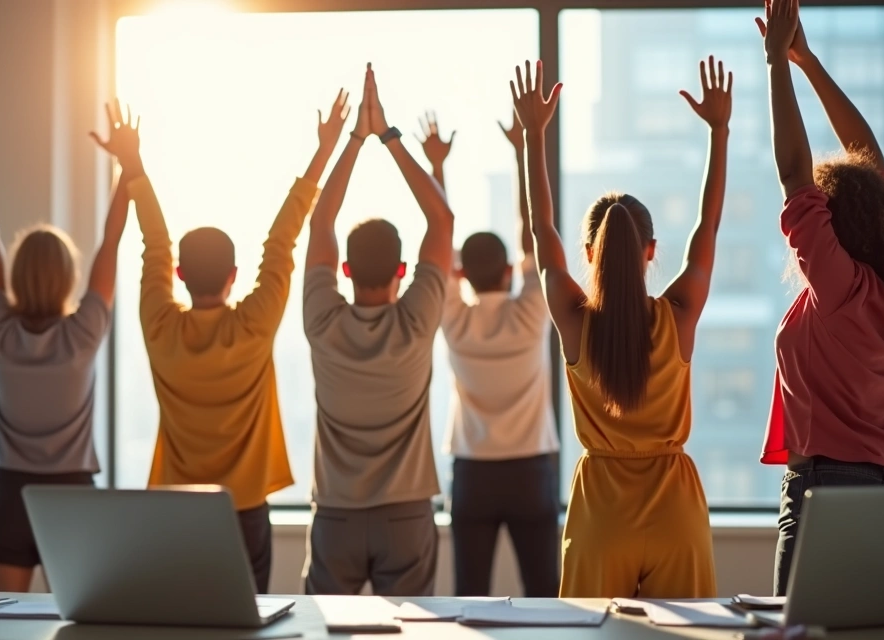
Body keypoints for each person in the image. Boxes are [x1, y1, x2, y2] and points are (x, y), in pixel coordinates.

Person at [101, 92, 347, 595]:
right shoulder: (255, 325)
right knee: (243, 622)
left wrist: (133, 163)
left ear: (179, 275)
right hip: (245, 510)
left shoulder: (160, 327)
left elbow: (154, 245)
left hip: (178, 510)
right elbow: (282, 243)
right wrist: (323, 152)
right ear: (234, 276)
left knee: (182, 624)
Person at [512, 56, 731, 598]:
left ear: (590, 252)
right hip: (674, 511)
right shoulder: (678, 313)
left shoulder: (574, 320)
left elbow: (541, 232)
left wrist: (532, 135)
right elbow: (709, 224)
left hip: (601, 514)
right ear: (651, 250)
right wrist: (719, 131)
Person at [758, 0, 884, 596]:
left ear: (835, 222)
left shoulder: (839, 288)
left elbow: (793, 174)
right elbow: (872, 162)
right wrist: (806, 60)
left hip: (828, 492)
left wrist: (776, 67)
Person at [0, 101, 133, 592]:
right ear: (68, 277)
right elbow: (111, 241)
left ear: (16, 275)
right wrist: (127, 167)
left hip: (8, 494)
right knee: (78, 625)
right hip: (73, 496)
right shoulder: (83, 333)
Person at [302, 64, 454, 596]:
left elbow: (320, 222)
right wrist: (388, 137)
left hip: (337, 515)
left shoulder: (322, 321)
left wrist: (354, 141)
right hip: (406, 518)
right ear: (402, 271)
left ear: (344, 269)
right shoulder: (416, 322)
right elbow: (443, 221)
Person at [419, 112, 560, 597]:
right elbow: (535, 239)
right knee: (545, 593)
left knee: (469, 594)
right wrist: (522, 152)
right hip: (531, 468)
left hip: (473, 471)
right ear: (508, 271)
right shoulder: (530, 313)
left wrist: (438, 169)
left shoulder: (455, 319)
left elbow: (440, 249)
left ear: (461, 274)